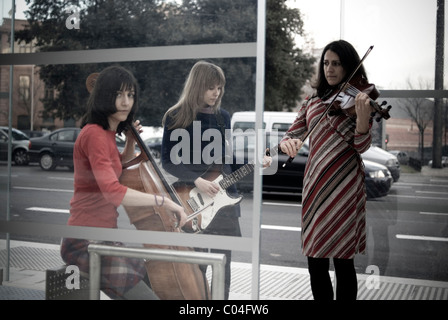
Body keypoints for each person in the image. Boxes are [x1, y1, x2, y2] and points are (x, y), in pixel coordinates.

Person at [60, 65, 187, 300]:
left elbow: (117, 170)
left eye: (130, 95)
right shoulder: (94, 134)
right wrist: (164, 201)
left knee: (150, 276)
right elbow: (112, 190)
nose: (126, 101)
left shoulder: (106, 135)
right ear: (104, 97)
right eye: (118, 94)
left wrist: (129, 142)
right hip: (85, 240)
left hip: (104, 237)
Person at [279, 40, 374, 301]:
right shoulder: (312, 100)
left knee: (343, 263)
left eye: (336, 63)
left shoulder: (359, 100)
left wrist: (363, 119)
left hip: (344, 188)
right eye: (326, 63)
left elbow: (361, 146)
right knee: (315, 261)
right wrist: (288, 142)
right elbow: (293, 132)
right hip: (315, 186)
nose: (329, 69)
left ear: (349, 67)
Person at [161, 61, 244, 300]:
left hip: (223, 204)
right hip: (193, 203)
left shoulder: (223, 117)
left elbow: (228, 160)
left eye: (219, 88)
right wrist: (196, 180)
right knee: (196, 267)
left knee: (223, 266)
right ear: (198, 86)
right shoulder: (176, 116)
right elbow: (168, 161)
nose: (216, 93)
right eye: (211, 88)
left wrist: (260, 163)